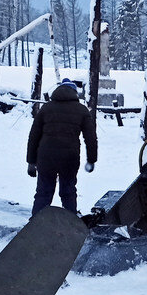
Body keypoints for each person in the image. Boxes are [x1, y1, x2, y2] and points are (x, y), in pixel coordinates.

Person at [26, 78, 97, 215]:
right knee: (68, 192)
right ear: (75, 93)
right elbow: (91, 138)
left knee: (43, 192)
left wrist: (31, 161)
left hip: (46, 157)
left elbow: (33, 136)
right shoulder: (81, 110)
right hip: (69, 158)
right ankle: (71, 224)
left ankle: (35, 225)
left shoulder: (46, 108)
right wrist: (91, 160)